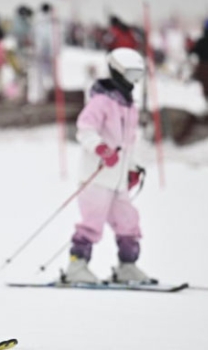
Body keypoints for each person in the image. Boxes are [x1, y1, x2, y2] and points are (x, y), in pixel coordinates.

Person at [62, 47, 151, 285]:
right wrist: (101, 149)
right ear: (118, 72)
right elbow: (85, 129)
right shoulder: (101, 101)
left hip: (118, 180)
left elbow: (128, 143)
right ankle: (76, 265)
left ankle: (127, 266)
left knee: (128, 222)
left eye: (137, 76)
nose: (134, 82)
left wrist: (132, 168)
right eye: (131, 75)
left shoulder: (130, 106)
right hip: (97, 175)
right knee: (92, 222)